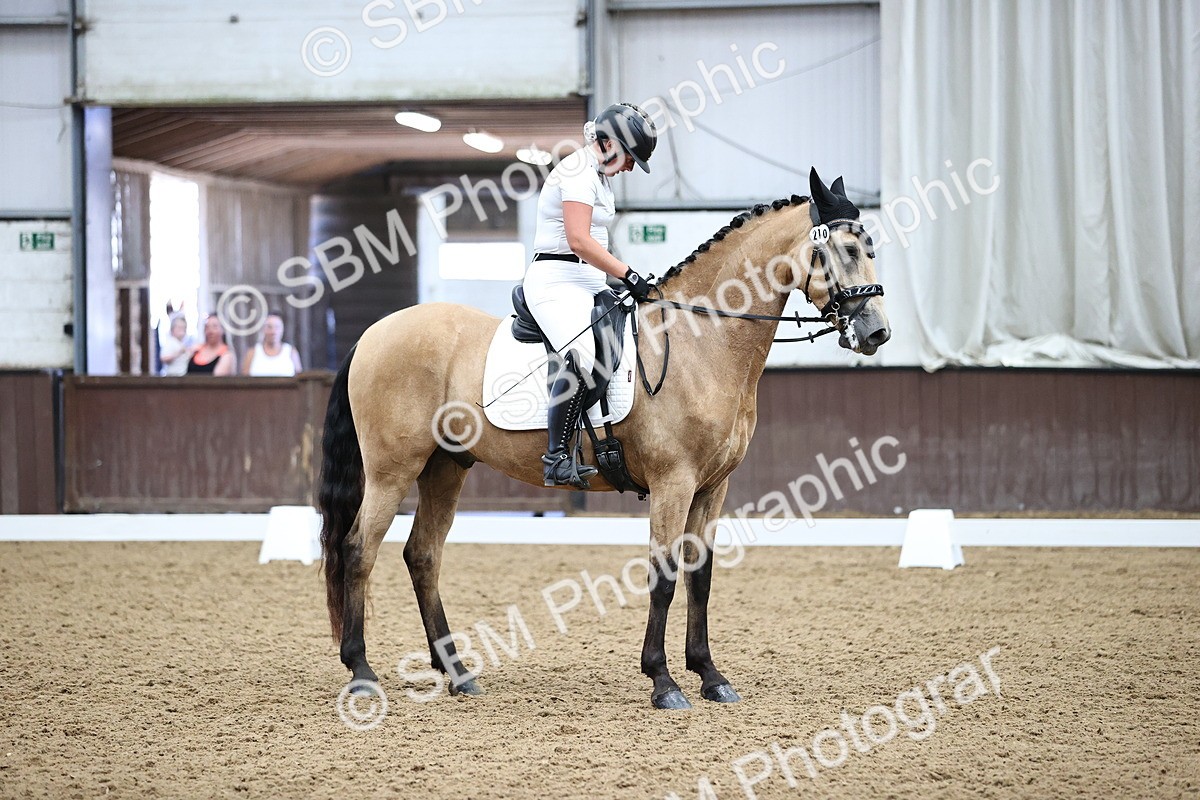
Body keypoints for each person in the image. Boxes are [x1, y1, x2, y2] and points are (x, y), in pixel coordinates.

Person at [523, 102, 657, 489]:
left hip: (588, 281)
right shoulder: (578, 171)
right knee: (579, 354)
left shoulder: (600, 177)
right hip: (555, 280)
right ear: (612, 144)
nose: (631, 167)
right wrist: (626, 273)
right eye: (630, 158)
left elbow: (596, 242)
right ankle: (556, 458)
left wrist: (620, 277)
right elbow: (578, 240)